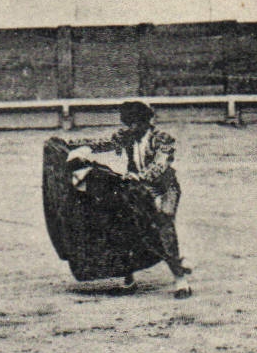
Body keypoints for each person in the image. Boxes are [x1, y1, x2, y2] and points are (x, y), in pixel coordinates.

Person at [63, 100, 191, 297]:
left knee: (163, 224)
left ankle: (181, 281)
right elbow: (101, 144)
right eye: (128, 123)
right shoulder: (127, 135)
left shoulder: (163, 139)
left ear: (147, 121)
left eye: (136, 123)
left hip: (164, 190)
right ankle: (128, 278)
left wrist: (140, 176)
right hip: (137, 189)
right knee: (125, 225)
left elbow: (160, 166)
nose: (132, 127)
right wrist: (68, 145)